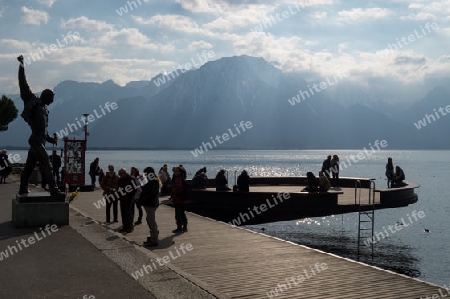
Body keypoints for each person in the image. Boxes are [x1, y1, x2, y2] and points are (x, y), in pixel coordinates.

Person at [17, 55, 64, 196]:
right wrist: (21, 65)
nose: (53, 100)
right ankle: (54, 189)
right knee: (47, 165)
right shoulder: (33, 102)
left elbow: (43, 130)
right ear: (47, 96)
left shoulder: (45, 110)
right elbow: (23, 83)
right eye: (52, 98)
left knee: (29, 167)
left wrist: (51, 139)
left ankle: (22, 188)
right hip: (36, 141)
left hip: (40, 140)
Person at [140, 167, 161, 247]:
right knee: (149, 219)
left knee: (151, 220)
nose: (146, 175)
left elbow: (149, 193)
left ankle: (154, 239)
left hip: (151, 204)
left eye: (146, 174)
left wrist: (142, 199)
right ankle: (153, 236)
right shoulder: (152, 181)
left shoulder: (153, 182)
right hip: (150, 203)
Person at [117, 168, 136, 234]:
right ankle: (125, 226)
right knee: (123, 213)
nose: (120, 175)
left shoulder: (131, 179)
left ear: (124, 172)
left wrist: (130, 195)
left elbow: (134, 189)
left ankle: (130, 227)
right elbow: (118, 188)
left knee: (128, 213)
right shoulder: (120, 179)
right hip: (122, 199)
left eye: (121, 174)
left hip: (129, 199)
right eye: (119, 174)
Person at [171, 167, 188, 233]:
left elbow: (178, 189)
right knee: (182, 213)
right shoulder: (182, 178)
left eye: (177, 171)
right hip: (181, 199)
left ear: (180, 172)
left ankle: (179, 227)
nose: (175, 172)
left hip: (178, 199)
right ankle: (184, 227)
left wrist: (173, 190)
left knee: (178, 214)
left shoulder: (179, 179)